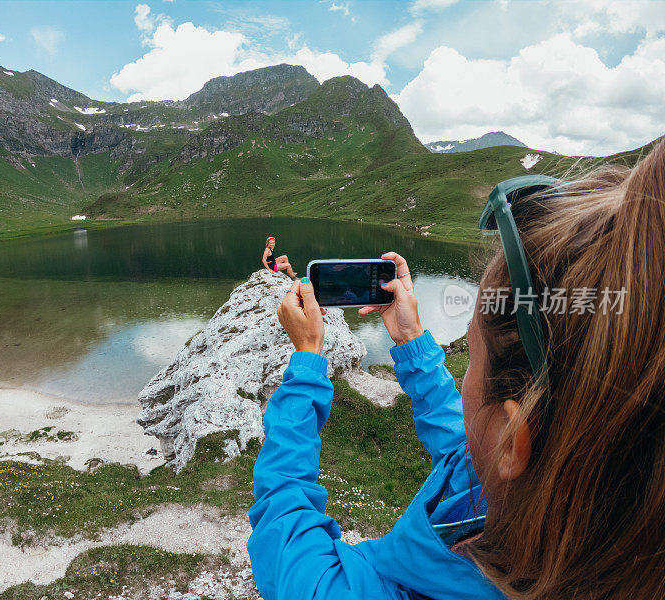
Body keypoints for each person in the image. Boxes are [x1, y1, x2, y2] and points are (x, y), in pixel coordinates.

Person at [247, 141, 665, 600]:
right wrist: (411, 341)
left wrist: (308, 361)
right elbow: (466, 448)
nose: (465, 377)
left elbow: (284, 542)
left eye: (473, 357)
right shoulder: (573, 502)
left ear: (512, 436)